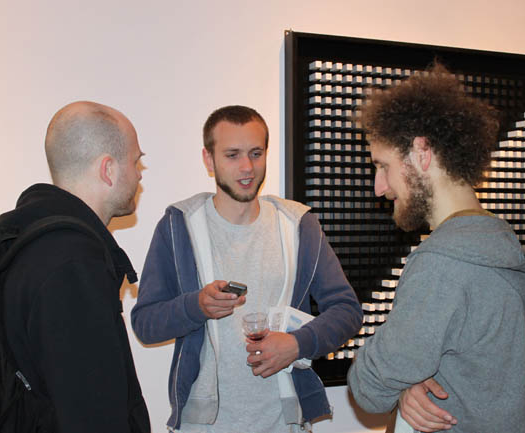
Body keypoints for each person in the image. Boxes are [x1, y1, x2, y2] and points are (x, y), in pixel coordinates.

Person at [131, 105, 363, 433]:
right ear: (208, 159)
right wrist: (196, 306)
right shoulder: (179, 226)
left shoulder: (298, 224)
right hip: (203, 426)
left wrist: (297, 343)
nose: (247, 167)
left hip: (284, 422)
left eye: (256, 153)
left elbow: (347, 311)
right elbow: (145, 323)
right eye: (232, 155)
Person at [346, 64, 525, 433]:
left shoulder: (441, 264)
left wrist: (395, 380)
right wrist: (407, 383)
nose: (379, 187)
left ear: (422, 153)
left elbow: (370, 387)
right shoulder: (498, 246)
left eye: (383, 166)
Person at [0, 101, 150, 432]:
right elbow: (92, 413)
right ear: (108, 169)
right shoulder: (74, 265)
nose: (139, 174)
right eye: (135, 161)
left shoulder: (31, 240)